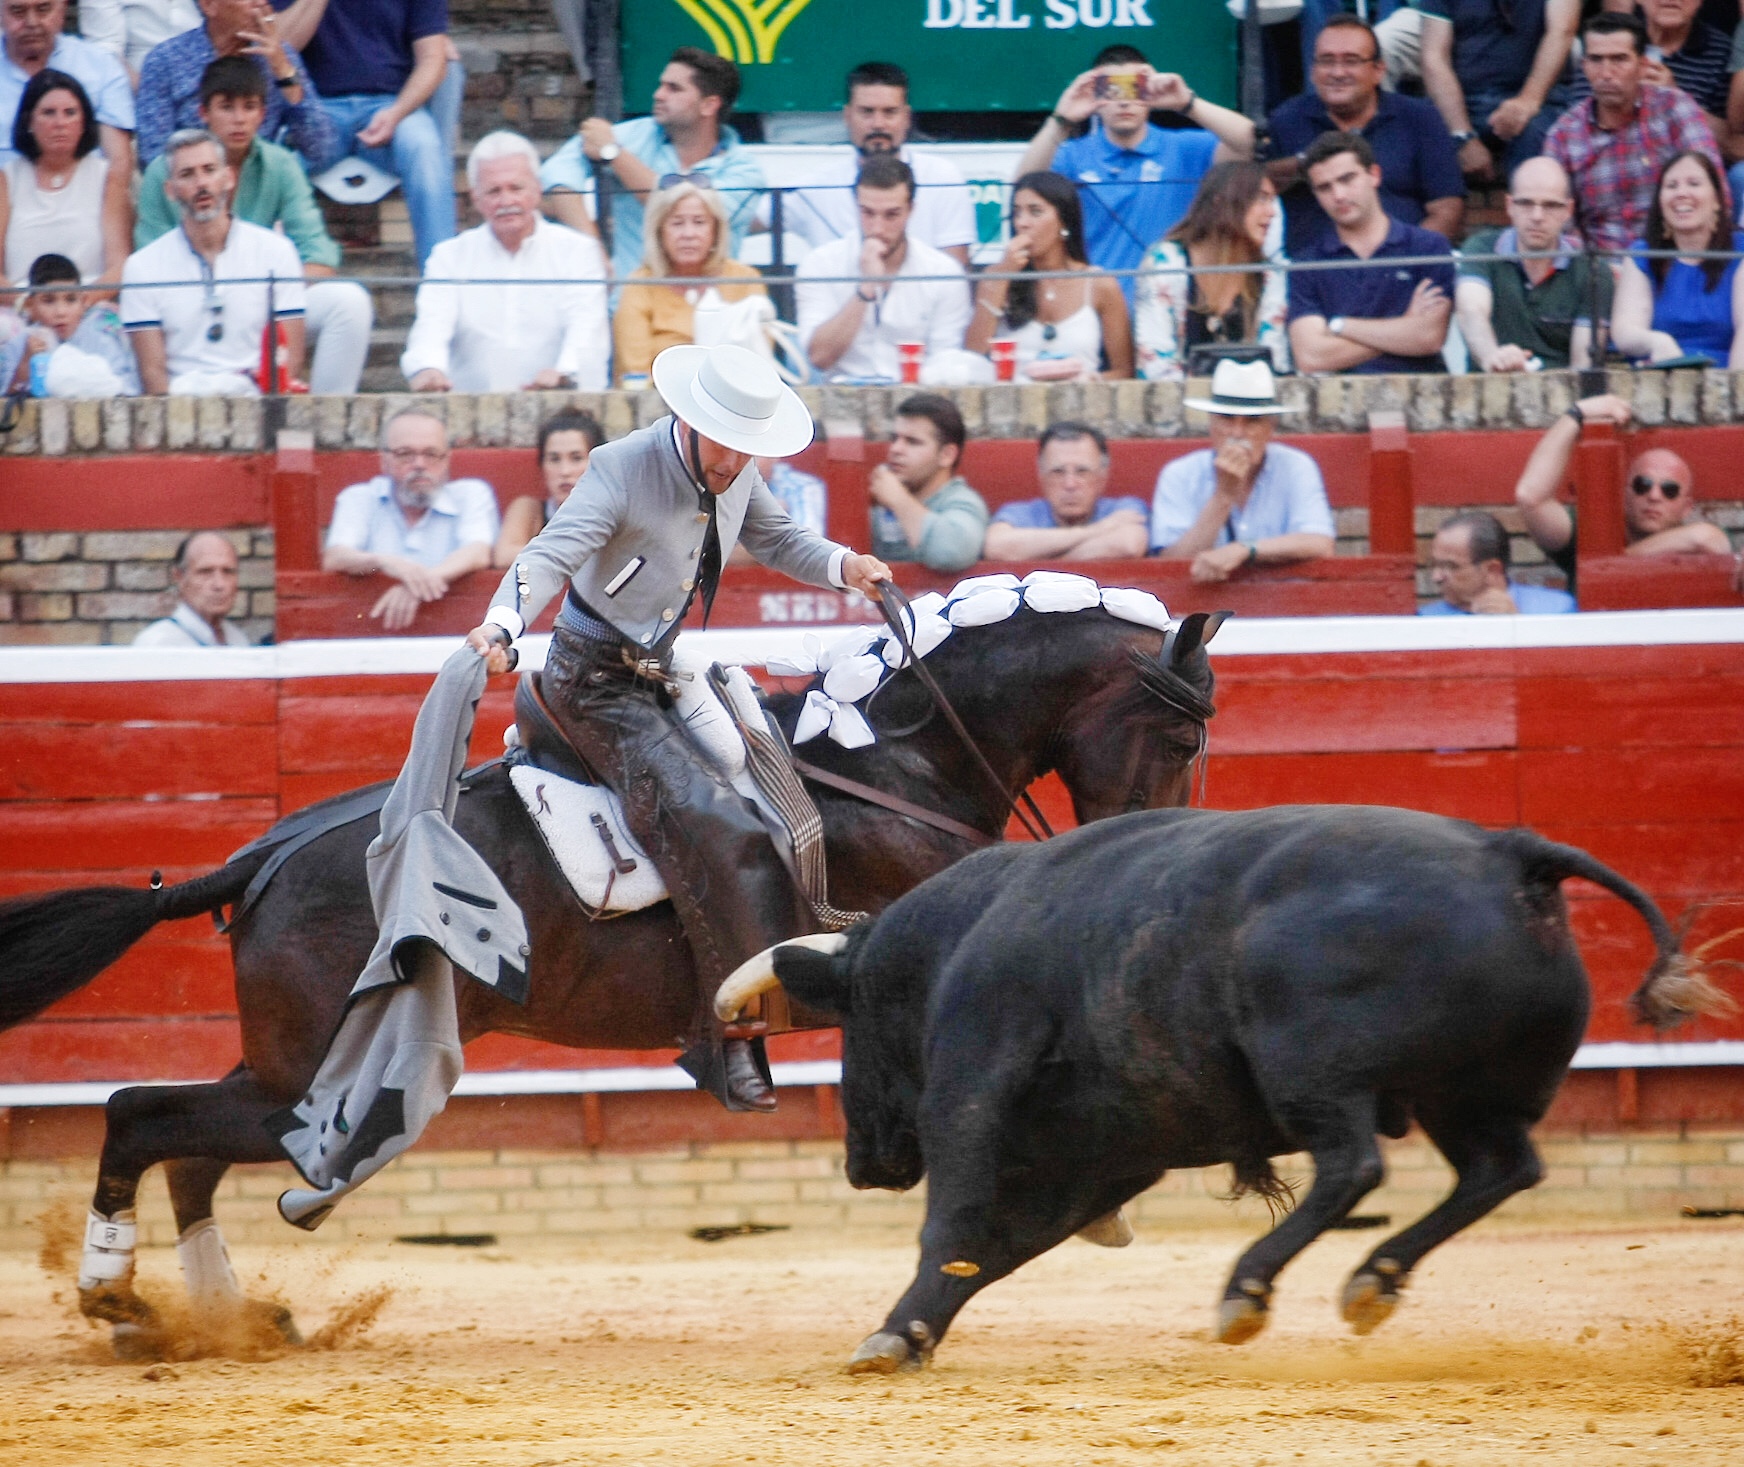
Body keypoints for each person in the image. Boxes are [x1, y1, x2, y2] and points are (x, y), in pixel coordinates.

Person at [465, 343, 894, 1112]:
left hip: (661, 669)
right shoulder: (621, 467)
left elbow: (776, 537)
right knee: (718, 827)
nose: (732, 459)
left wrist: (843, 567)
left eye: (746, 445)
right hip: (591, 682)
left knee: (774, 786)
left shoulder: (740, 467)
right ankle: (723, 1035)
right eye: (722, 439)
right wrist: (502, 623)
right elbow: (550, 554)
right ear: (688, 420)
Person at [136, 56, 371, 395]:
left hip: (269, 297)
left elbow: (320, 257)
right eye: (226, 107)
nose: (239, 119)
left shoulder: (281, 164)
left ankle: (324, 421)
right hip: (188, 303)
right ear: (204, 113)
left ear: (263, 115)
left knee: (349, 302)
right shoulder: (165, 171)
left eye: (249, 107)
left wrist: (257, 292)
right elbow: (151, 261)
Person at [1013, 43, 1257, 305]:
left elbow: (1254, 144)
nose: (1124, 101)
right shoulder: (1072, 155)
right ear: (1095, 95)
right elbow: (1022, 187)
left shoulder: (1184, 147)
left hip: (1169, 310)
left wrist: (1187, 103)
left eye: (1135, 87)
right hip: (1095, 311)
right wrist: (1061, 120)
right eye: (1112, 90)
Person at [401, 131, 609, 394]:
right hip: (468, 408)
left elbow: (587, 327)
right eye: (494, 191)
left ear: (536, 189)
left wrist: (564, 373)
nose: (506, 201)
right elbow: (432, 324)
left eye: (516, 188)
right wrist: (428, 368)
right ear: (476, 198)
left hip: (559, 406)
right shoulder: (449, 256)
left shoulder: (578, 251)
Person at [541, 46, 764, 282]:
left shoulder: (744, 170)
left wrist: (614, 153)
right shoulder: (636, 134)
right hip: (629, 307)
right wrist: (591, 249)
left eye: (674, 89)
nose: (658, 94)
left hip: (710, 308)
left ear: (709, 105)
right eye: (661, 85)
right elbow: (558, 173)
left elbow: (683, 209)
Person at [120, 127, 306, 396]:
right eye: (187, 174)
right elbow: (152, 373)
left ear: (228, 177)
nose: (201, 183)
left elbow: (289, 359)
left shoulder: (276, 252)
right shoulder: (142, 267)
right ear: (170, 190)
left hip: (257, 405)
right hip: (181, 408)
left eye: (209, 170)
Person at [1259, 13, 1464, 257]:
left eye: (1351, 61)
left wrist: (1402, 262)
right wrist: (1306, 162)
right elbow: (1258, 188)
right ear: (1313, 71)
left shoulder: (1419, 118)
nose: (1337, 72)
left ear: (1378, 70)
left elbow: (1448, 210)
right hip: (1313, 274)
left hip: (1404, 267)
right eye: (1326, 61)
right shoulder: (1288, 119)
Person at [273, 0, 454, 270]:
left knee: (425, 150)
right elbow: (278, 50)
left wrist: (397, 112)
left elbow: (433, 60)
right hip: (317, 109)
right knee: (275, 165)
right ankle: (272, 286)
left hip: (392, 106)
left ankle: (443, 285)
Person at [1514, 392, 1732, 596]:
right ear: (1624, 495)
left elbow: (1707, 538)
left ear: (1687, 507)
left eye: (1669, 490)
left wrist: (1608, 565)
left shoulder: (1701, 536)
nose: (1654, 496)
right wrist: (1576, 414)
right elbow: (1530, 497)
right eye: (1642, 485)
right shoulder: (1587, 533)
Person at [1544, 10, 1723, 254]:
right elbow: (1559, 225)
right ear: (1584, 66)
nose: (1606, 73)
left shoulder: (1675, 109)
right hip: (1600, 272)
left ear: (1642, 65)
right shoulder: (1564, 135)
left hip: (1673, 260)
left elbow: (1715, 196)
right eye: (1596, 60)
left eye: (1619, 59)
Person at [1150, 358, 1336, 584]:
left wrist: (1244, 550)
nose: (1238, 433)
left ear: (1271, 427)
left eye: (1252, 421)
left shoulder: (1296, 466)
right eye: (1227, 419)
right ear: (1211, 424)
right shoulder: (1179, 474)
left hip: (1283, 605)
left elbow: (1319, 542)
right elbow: (1173, 563)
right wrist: (1223, 497)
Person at [1287, 132, 1456, 376]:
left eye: (1347, 179)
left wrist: (1339, 326)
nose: (1339, 195)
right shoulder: (1306, 263)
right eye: (1325, 187)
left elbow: (1428, 337)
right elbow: (1311, 357)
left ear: (1374, 175)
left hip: (1421, 396)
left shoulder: (1428, 247)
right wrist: (1404, 330)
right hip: (1338, 402)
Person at [777, 61, 976, 266]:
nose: (878, 124)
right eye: (867, 112)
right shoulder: (816, 187)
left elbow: (956, 276)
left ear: (907, 117)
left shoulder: (942, 177)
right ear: (847, 116)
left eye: (890, 112)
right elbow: (747, 217)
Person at [794, 154, 970, 383]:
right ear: (856, 208)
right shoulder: (819, 265)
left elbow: (946, 361)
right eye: (868, 213)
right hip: (840, 401)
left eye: (891, 215)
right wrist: (865, 289)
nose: (878, 228)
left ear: (911, 210)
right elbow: (818, 357)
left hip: (918, 401)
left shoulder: (944, 272)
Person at [323, 406, 500, 630]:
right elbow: (336, 556)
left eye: (431, 454)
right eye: (405, 454)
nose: (419, 464)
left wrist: (418, 583)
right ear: (383, 461)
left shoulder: (471, 494)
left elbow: (477, 552)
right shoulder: (359, 498)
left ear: (446, 460)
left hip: (458, 632)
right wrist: (384, 563)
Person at [964, 171, 1130, 382]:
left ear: (1063, 221)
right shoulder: (995, 276)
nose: (1022, 223)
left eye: (1035, 212)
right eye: (1017, 213)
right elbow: (972, 355)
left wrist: (1091, 381)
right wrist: (1001, 279)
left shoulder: (1100, 284)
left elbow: (1124, 371)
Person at [135, 0, 337, 173]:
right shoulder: (165, 61)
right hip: (188, 195)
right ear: (209, 4)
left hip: (258, 188)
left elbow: (321, 149)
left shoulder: (279, 57)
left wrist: (284, 73)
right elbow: (153, 156)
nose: (260, 4)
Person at [1134, 160, 1289, 382]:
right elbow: (1156, 366)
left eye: (1273, 201)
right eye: (1262, 199)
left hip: (1248, 405)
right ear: (1220, 203)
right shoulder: (1164, 262)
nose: (1273, 212)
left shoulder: (1269, 275)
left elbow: (1275, 360)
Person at [1456, 155, 1612, 373]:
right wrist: (1493, 359)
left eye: (1550, 205)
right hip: (1488, 388)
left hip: (1561, 396)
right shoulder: (1481, 248)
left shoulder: (1591, 269)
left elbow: (1583, 365)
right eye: (1526, 203)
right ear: (1509, 205)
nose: (1537, 216)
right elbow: (1471, 311)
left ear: (1568, 211)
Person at [612, 178, 767, 385]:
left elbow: (758, 362)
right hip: (659, 402)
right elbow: (635, 372)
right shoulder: (640, 284)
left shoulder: (745, 279)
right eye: (677, 223)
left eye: (699, 222)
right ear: (659, 231)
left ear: (716, 230)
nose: (688, 234)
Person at [1418, 0, 1580, 182]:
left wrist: (1528, 101)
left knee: (1535, 134)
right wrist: (1462, 136)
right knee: (1422, 135)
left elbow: (1562, 31)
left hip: (1540, 99)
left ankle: (1531, 207)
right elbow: (1434, 57)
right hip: (1465, 100)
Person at [1611, 149, 1744, 366]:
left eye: (1694, 183)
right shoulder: (1642, 254)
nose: (1681, 193)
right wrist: (1658, 342)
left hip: (1726, 379)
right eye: (1671, 186)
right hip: (1659, 378)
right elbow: (1625, 331)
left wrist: (1732, 391)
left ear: (1717, 200)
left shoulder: (1740, 250)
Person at [0, 69, 130, 286]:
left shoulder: (107, 177)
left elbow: (119, 267)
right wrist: (30, 304)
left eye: (70, 113)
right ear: (29, 121)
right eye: (48, 112)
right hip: (21, 308)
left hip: (91, 305)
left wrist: (75, 304)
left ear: (83, 123)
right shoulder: (7, 179)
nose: (60, 123)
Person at [983, 421, 1149, 563]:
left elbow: (1129, 544)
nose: (1070, 484)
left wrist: (1042, 558)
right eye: (1058, 472)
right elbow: (995, 546)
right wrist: (1100, 528)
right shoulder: (1020, 513)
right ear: (1041, 475)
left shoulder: (1124, 507)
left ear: (1102, 476)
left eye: (1082, 472)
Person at [0, 0, 134, 171]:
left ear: (62, 8)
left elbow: (118, 162)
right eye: (18, 11)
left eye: (43, 9)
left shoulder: (102, 66)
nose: (32, 22)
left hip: (88, 194)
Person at [866, 393, 988, 572]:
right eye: (894, 439)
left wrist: (899, 499)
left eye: (913, 442)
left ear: (947, 455)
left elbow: (950, 554)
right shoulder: (879, 496)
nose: (895, 449)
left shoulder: (964, 501)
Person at [0, 250, 137, 395]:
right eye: (48, 301)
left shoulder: (102, 341)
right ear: (31, 305)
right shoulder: (19, 345)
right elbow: (5, 402)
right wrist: (25, 362)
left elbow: (127, 390)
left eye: (70, 299)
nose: (61, 312)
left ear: (83, 301)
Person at [493, 407, 603, 567]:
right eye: (554, 459)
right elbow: (504, 556)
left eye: (577, 458)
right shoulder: (529, 509)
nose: (565, 471)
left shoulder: (617, 510)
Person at [1421, 511, 1577, 615]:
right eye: (1434, 564)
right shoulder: (1425, 620)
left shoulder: (1557, 609)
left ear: (1492, 569)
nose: (1436, 577)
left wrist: (1517, 626)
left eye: (1450, 567)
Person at [132, 531, 253, 645]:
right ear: (179, 577)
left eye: (228, 572)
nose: (219, 584)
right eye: (206, 572)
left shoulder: (238, 640)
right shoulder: (158, 644)